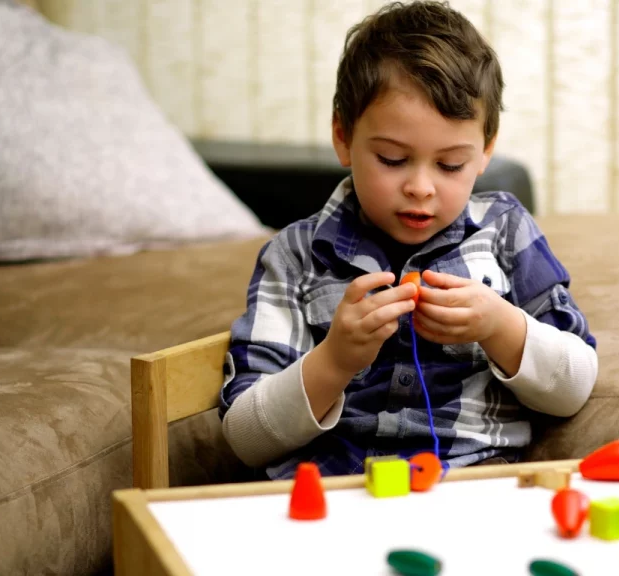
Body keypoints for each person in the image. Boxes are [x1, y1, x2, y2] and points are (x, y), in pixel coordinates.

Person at [219, 0, 598, 480]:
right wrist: (333, 361)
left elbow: (576, 385)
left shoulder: (503, 229)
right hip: (334, 497)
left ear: (485, 151)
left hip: (472, 485)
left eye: (450, 165)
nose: (421, 187)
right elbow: (245, 438)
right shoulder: (295, 255)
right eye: (393, 159)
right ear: (343, 136)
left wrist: (500, 325)